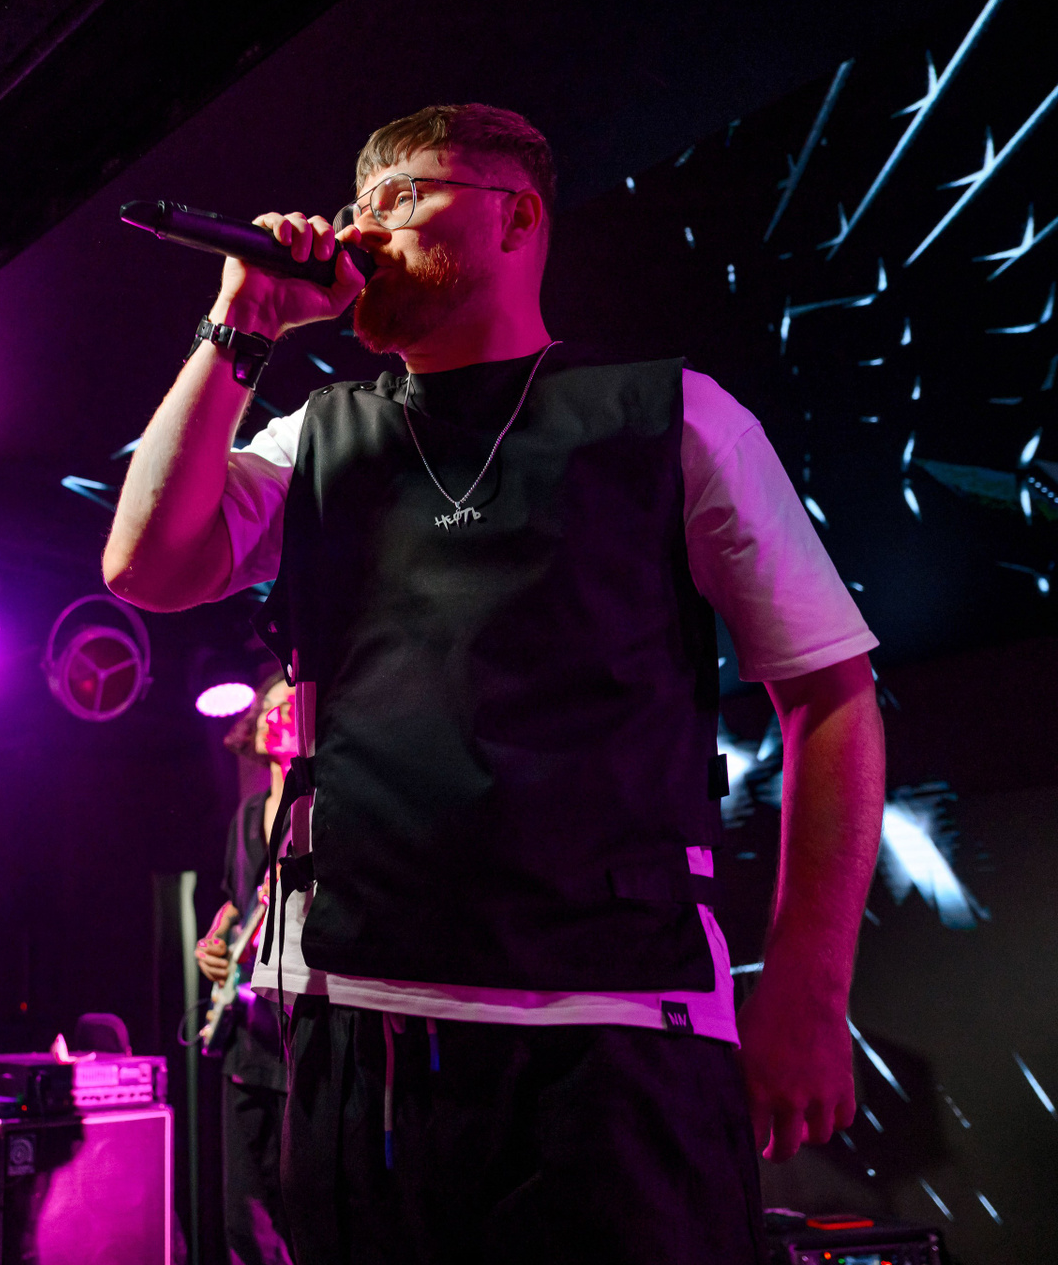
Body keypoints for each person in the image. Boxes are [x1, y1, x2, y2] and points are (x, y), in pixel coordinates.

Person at [103, 102, 885, 1261]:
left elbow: (831, 697)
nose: (364, 226)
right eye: (358, 203)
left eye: (404, 195)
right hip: (359, 1022)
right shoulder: (315, 434)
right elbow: (147, 567)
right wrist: (243, 323)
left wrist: (811, 990)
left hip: (618, 1024)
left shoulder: (672, 416)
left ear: (515, 218)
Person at [194, 673, 294, 1265]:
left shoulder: (323, 807)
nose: (272, 714)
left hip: (299, 1038)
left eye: (288, 704)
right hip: (246, 1040)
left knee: (306, 1210)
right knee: (244, 1218)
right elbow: (237, 899)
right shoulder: (248, 811)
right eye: (267, 706)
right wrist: (213, 941)